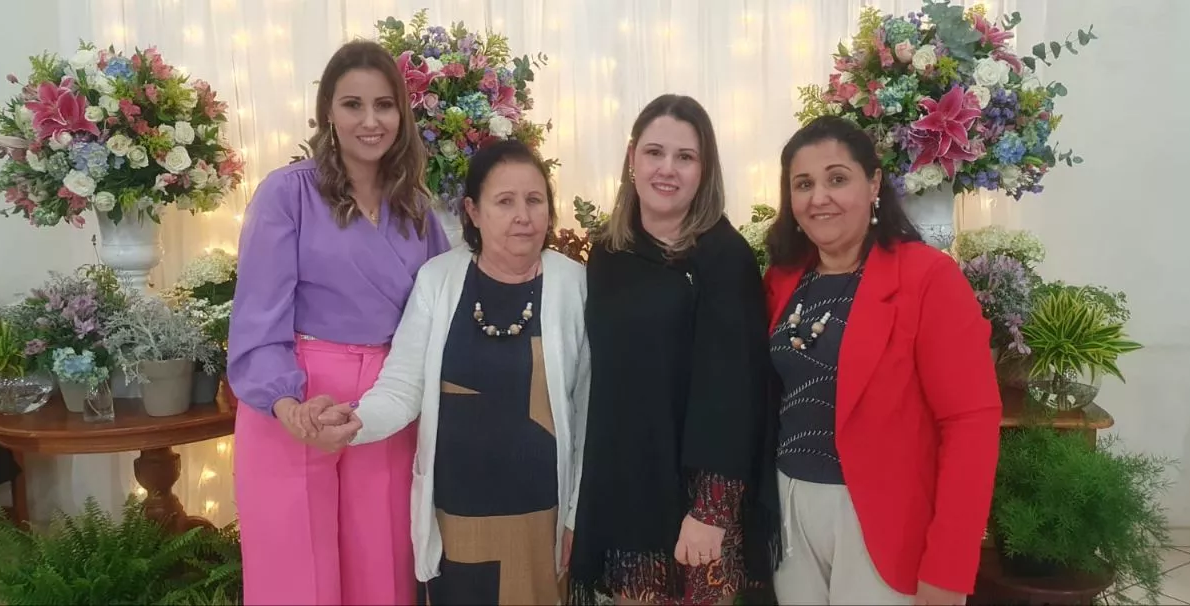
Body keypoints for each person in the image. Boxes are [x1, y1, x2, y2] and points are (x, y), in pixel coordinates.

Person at [311, 139, 590, 605]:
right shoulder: (438, 279)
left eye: (534, 200)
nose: (523, 216)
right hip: (457, 515)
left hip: (543, 515)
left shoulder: (574, 284)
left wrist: (578, 515)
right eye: (505, 201)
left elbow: (587, 412)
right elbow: (403, 387)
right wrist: (355, 421)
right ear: (473, 211)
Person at [226, 40, 448, 606]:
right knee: (296, 578)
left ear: (402, 113)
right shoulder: (286, 194)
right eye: (353, 104)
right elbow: (258, 314)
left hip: (388, 403)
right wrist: (288, 407)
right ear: (328, 110)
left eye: (384, 105)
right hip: (297, 401)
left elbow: (442, 308)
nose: (370, 121)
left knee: (383, 571)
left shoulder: (417, 209)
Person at [761, 116, 1002, 605]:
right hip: (789, 515)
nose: (819, 197)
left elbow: (970, 423)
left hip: (883, 523)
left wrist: (950, 565)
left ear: (873, 184)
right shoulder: (783, 280)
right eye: (803, 184)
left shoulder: (928, 278)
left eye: (837, 178)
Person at [568, 94, 779, 606]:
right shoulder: (608, 254)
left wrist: (710, 511)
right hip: (629, 496)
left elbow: (735, 392)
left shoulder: (723, 258)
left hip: (700, 506)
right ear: (632, 158)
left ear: (704, 170)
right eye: (654, 152)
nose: (667, 169)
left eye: (685, 157)